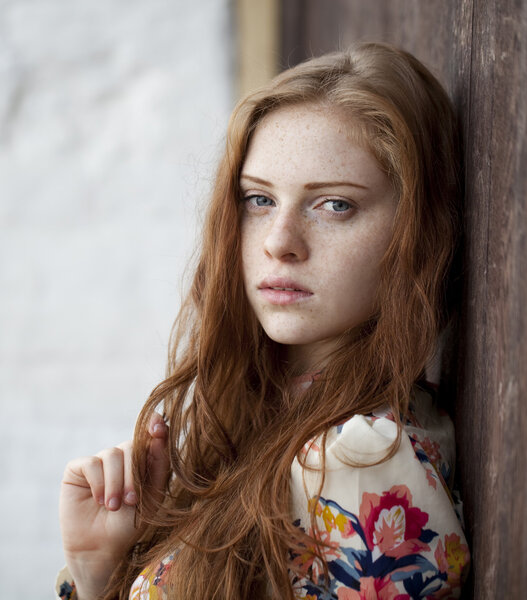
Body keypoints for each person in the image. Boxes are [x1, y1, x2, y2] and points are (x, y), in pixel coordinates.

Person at [57, 42, 470, 600]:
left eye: (335, 205)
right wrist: (98, 572)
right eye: (259, 200)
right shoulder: (267, 418)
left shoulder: (362, 464)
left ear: (416, 233)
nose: (279, 243)